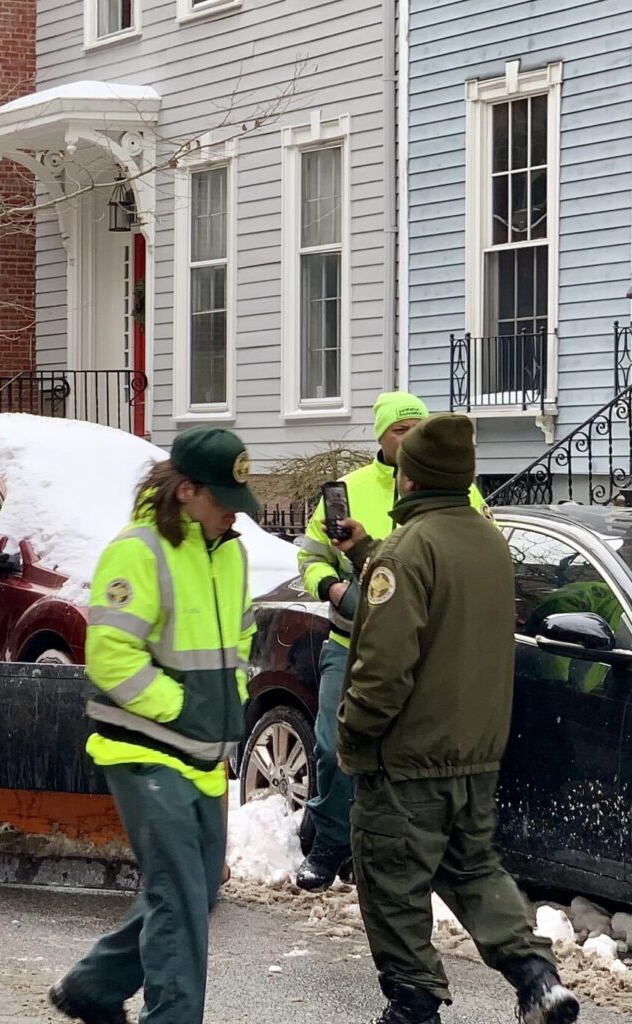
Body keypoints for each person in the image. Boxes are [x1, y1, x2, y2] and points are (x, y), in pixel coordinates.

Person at [331, 413, 578, 1024]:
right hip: (475, 753)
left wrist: (354, 733)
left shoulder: (408, 550)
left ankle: (413, 1004)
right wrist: (368, 552)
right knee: (474, 869)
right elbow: (445, 606)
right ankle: (536, 978)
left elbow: (385, 669)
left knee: (392, 885)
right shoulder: (489, 542)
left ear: (409, 480)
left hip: (407, 760)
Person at [48, 427, 260, 1024]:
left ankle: (93, 987)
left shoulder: (230, 553)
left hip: (201, 753)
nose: (232, 516)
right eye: (223, 502)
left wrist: (228, 698)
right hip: (143, 753)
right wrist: (183, 705)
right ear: (187, 491)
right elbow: (112, 656)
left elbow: (240, 638)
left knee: (198, 889)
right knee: (181, 897)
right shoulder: (137, 552)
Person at [293, 392, 486, 891]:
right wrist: (333, 587)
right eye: (401, 430)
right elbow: (312, 554)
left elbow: (478, 550)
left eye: (418, 428)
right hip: (350, 640)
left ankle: (363, 844)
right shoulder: (352, 490)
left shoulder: (459, 492)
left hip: (423, 649)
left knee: (397, 757)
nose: (410, 438)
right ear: (380, 435)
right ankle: (329, 842)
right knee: (336, 748)